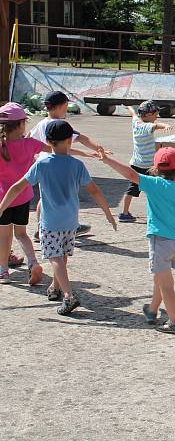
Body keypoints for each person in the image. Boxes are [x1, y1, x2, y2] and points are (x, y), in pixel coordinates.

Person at [0, 120, 117, 315]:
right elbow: (95, 190)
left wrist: (2, 207)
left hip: (50, 222)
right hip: (71, 221)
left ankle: (68, 296)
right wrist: (108, 214)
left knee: (54, 257)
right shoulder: (77, 165)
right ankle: (55, 287)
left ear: (47, 141)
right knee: (62, 255)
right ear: (70, 142)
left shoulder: (42, 164)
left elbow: (17, 187)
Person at [100, 146, 175, 334]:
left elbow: (130, 174)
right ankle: (152, 310)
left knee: (166, 284)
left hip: (160, 242)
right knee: (160, 277)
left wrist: (107, 160)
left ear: (155, 168)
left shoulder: (154, 184)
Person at [28, 90, 105, 239]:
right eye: (66, 105)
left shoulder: (42, 123)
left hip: (43, 164)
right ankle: (71, 225)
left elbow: (29, 138)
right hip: (59, 165)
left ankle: (40, 229)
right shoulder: (60, 125)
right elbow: (82, 139)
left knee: (45, 198)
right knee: (68, 195)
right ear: (59, 106)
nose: (67, 108)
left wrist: (32, 156)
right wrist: (97, 148)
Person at [0, 103, 45, 286]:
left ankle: (3, 271)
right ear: (20, 125)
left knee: (4, 236)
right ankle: (33, 262)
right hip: (23, 197)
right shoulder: (30, 144)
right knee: (21, 234)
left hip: (3, 199)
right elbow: (55, 149)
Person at [118, 101, 173, 223]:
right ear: (148, 115)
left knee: (132, 189)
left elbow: (133, 114)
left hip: (135, 164)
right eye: (155, 114)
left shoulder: (136, 123)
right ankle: (158, 214)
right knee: (156, 190)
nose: (157, 116)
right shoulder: (146, 127)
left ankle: (124, 213)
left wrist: (130, 108)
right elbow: (156, 126)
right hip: (148, 166)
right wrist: (165, 126)